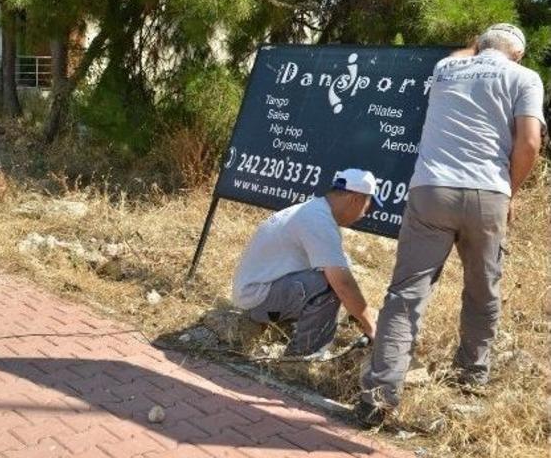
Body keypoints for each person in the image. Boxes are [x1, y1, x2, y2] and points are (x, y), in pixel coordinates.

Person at [356, 23, 546, 427]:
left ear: (479, 46)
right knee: (482, 289)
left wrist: (478, 44)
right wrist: (509, 192)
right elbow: (529, 143)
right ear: (519, 54)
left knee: (406, 294)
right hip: (488, 194)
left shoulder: (445, 68)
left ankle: (379, 396)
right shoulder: (525, 77)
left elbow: (467, 55)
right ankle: (470, 377)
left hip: (431, 190)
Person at [232, 169, 381, 356]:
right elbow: (342, 284)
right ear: (356, 199)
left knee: (340, 270)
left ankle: (297, 340)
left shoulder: (315, 212)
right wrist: (371, 327)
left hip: (261, 293)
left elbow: (343, 271)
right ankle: (302, 358)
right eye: (368, 207)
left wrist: (360, 314)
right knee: (330, 284)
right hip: (257, 301)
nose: (364, 215)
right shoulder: (318, 220)